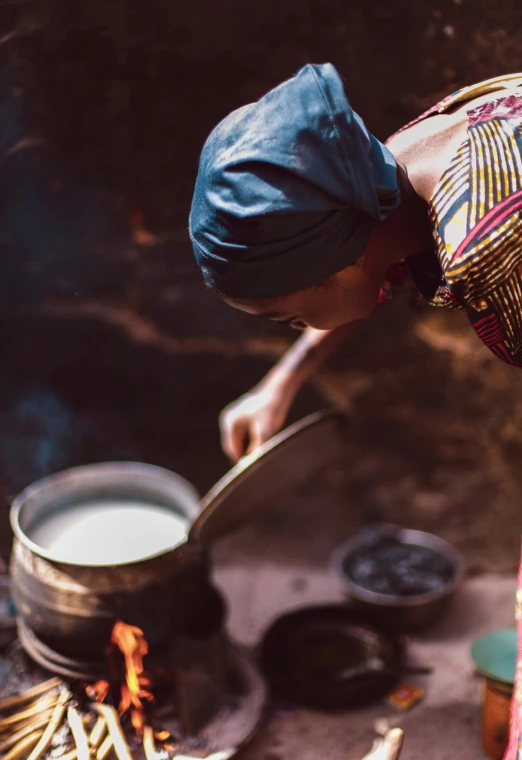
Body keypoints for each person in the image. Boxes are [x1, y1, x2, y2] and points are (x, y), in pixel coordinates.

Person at [189, 63, 522, 759]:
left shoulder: (490, 247)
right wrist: (283, 380)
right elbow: (374, 265)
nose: (296, 327)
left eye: (289, 318)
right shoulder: (396, 163)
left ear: (333, 267)